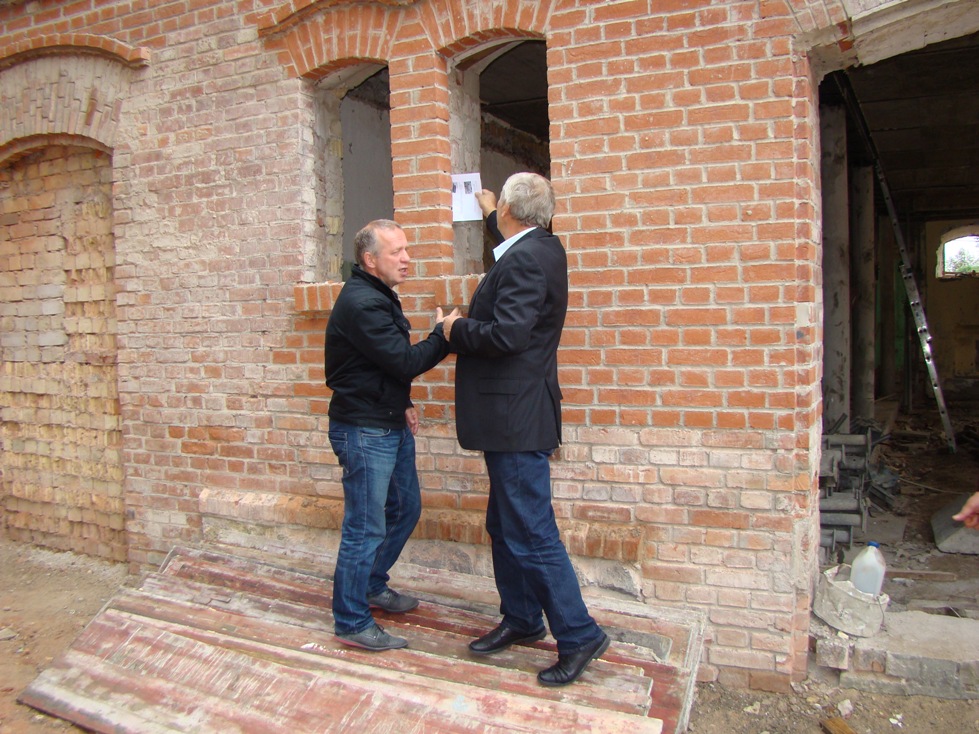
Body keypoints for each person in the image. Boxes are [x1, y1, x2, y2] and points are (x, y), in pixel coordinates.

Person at [443, 172, 609, 687]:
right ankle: (521, 617)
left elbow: (508, 334)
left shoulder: (526, 258)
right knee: (505, 525)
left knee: (532, 531)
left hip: (515, 419)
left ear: (511, 212)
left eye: (500, 209)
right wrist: (491, 212)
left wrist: (455, 329)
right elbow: (514, 250)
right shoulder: (540, 246)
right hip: (513, 417)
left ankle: (579, 633)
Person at [325, 219, 459, 651]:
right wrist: (442, 336)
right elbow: (403, 360)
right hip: (364, 431)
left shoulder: (378, 294)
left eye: (406, 249)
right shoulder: (364, 302)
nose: (406, 258)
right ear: (370, 259)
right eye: (396, 251)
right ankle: (351, 621)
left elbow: (374, 365)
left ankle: (370, 585)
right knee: (364, 528)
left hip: (386, 420)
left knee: (404, 508)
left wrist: (401, 401)